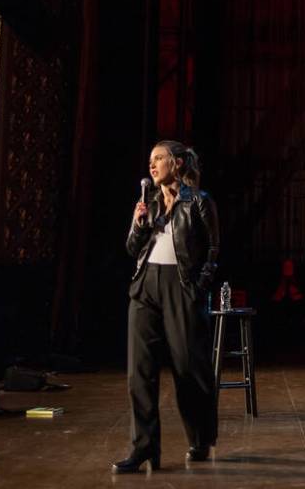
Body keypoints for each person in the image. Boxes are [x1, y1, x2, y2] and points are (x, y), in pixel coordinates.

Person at [113, 140, 220, 473]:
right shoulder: (150, 204)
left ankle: (200, 438)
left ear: (176, 163)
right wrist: (139, 222)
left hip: (181, 287)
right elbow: (133, 249)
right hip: (145, 285)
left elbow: (214, 251)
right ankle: (144, 448)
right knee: (139, 373)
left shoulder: (200, 202)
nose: (151, 164)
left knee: (187, 368)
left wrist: (199, 288)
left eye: (158, 158)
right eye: (149, 160)